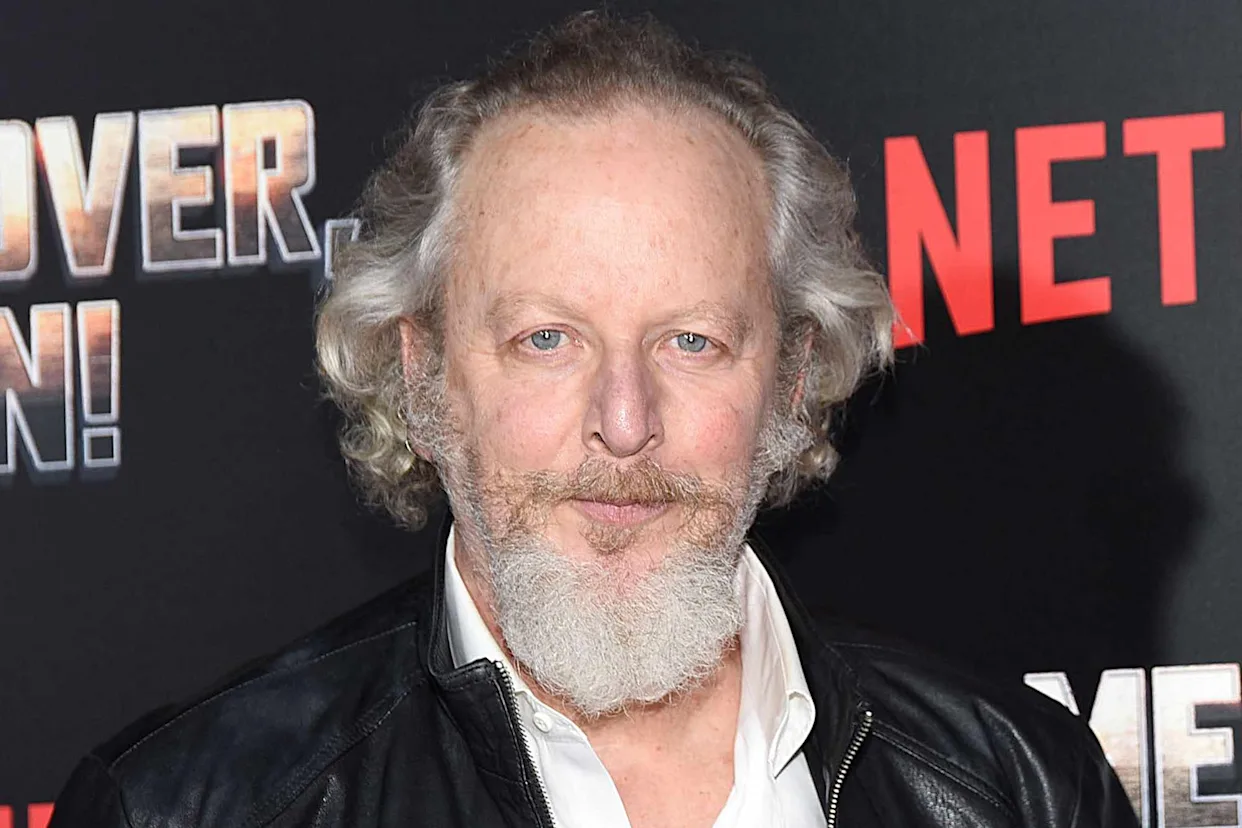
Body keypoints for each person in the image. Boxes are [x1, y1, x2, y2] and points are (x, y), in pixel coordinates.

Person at [50, 11, 1138, 828]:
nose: (624, 424)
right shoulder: (189, 809)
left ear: (792, 379)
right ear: (423, 378)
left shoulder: (1021, 788)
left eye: (692, 341)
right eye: (547, 339)